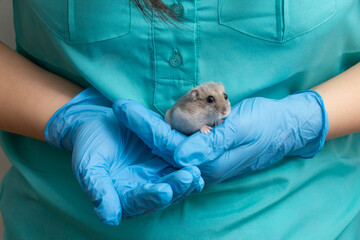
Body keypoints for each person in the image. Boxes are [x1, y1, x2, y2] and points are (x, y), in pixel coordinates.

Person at [1, 0, 360, 239]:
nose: (222, 107)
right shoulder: (189, 106)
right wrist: (70, 117)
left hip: (312, 223)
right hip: (61, 224)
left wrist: (306, 118)